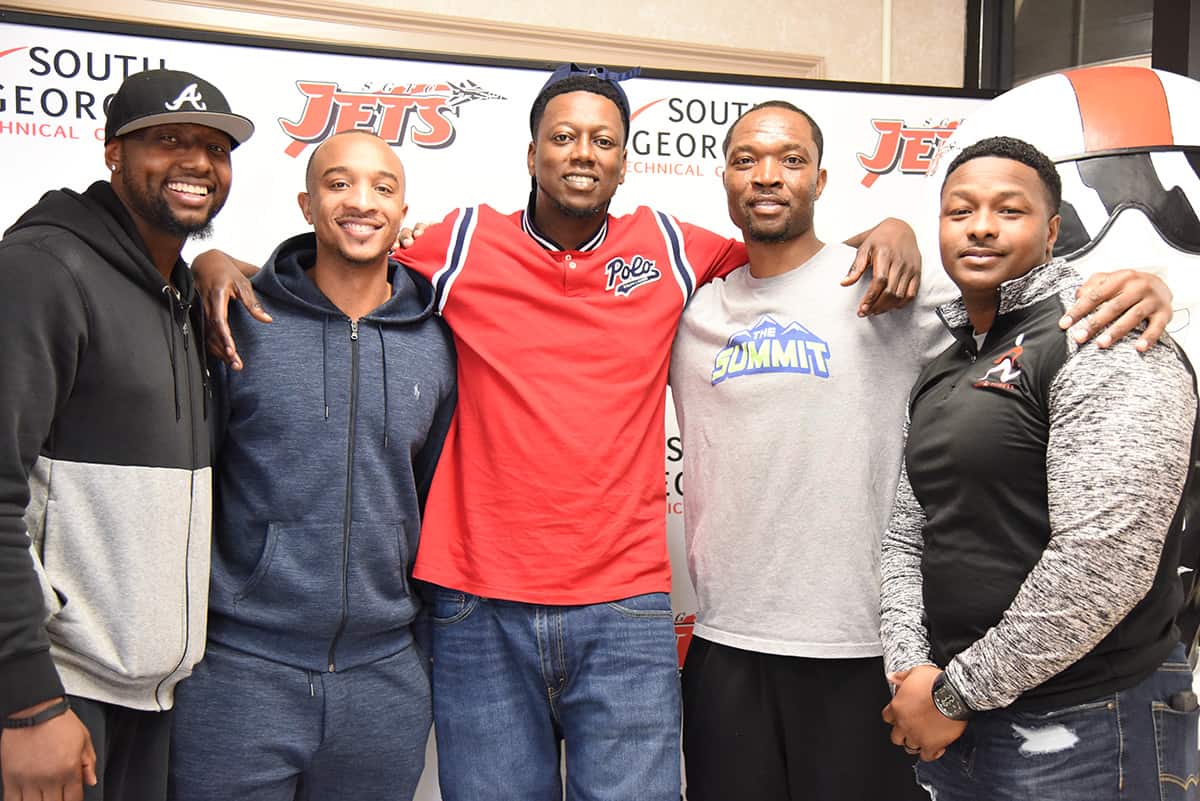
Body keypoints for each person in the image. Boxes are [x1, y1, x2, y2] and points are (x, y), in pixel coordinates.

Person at [193, 66, 1168, 801]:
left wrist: (907, 229)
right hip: (476, 605)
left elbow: (812, 256)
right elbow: (343, 258)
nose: (583, 153)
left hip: (627, 611)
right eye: (564, 137)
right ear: (532, 155)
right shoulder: (453, 243)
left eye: (604, 140)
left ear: (626, 158)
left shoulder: (675, 249)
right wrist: (220, 262)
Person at [879, 136, 1198, 801]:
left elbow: (1104, 560)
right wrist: (913, 670)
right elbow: (910, 533)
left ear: (1053, 231)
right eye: (960, 210)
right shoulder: (946, 363)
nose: (982, 226)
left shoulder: (1105, 332)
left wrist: (953, 691)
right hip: (961, 723)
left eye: (1009, 210)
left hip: (1089, 720)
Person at [669, 100, 949, 801]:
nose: (768, 176)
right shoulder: (691, 310)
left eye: (791, 160)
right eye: (747, 160)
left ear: (820, 180)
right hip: (726, 643)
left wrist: (1135, 287)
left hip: (860, 647)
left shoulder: (885, 285)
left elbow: (1023, 311)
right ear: (725, 178)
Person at [167, 130, 455, 800]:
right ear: (305, 204)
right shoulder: (237, 319)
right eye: (338, 183)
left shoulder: (437, 342)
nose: (361, 201)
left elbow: (433, 497)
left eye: (383, 186)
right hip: (242, 671)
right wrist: (206, 260)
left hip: (382, 678)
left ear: (403, 209)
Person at [0, 69, 253, 801]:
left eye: (213, 146)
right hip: (57, 693)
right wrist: (27, 701)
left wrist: (209, 262)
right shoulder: (42, 271)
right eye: (167, 140)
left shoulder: (179, 288)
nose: (197, 162)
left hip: (150, 695)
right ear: (113, 154)